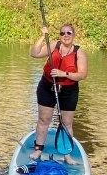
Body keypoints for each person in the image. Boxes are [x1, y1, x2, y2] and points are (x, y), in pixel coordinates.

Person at [29, 22, 88, 164]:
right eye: (62, 33)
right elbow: (34, 53)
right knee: (44, 120)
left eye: (69, 33)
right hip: (47, 87)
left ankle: (67, 154)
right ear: (59, 36)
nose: (65, 36)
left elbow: (82, 75)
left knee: (67, 123)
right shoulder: (54, 45)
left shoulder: (79, 52)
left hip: (68, 90)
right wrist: (43, 37)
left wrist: (64, 73)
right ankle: (38, 149)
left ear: (73, 35)